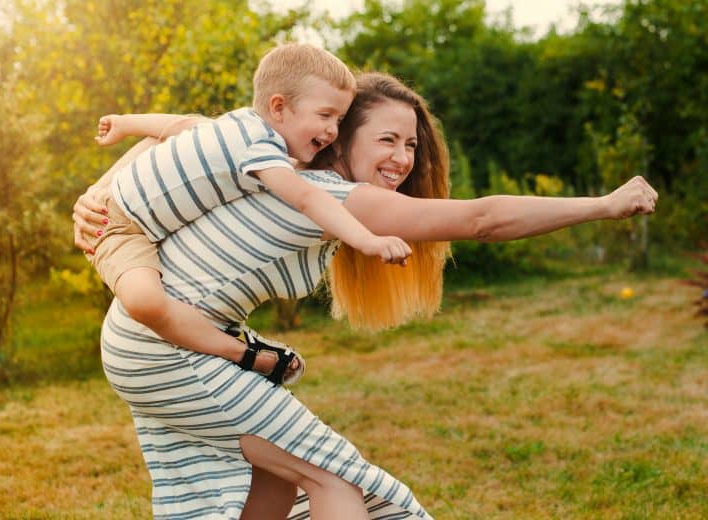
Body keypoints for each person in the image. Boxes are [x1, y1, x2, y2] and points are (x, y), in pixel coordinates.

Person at [73, 72, 658, 519]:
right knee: (336, 480)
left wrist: (96, 195)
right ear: (338, 137)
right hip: (167, 349)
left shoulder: (264, 161)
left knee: (277, 479)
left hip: (152, 341)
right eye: (387, 140)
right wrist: (603, 205)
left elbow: (184, 134)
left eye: (411, 144)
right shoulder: (329, 192)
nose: (403, 159)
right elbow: (484, 219)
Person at [80, 43, 411, 385]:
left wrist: (124, 122)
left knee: (154, 301)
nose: (333, 131)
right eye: (325, 116)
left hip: (138, 222)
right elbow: (306, 198)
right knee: (146, 303)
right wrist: (367, 240)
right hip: (117, 227)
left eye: (340, 120)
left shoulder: (240, 126)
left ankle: (234, 344)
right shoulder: (259, 146)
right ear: (279, 107)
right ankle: (243, 353)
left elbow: (178, 125)